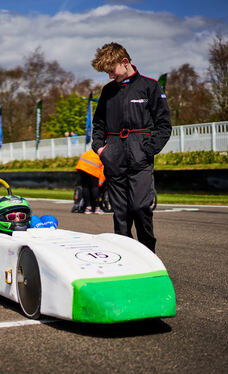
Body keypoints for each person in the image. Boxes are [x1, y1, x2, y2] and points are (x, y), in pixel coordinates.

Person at [91, 42, 171, 253]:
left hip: (140, 157)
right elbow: (98, 125)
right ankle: (125, 259)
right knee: (121, 214)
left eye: (111, 71)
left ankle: (148, 255)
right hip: (113, 158)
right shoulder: (107, 92)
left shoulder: (150, 86)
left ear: (124, 62)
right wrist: (101, 149)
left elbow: (164, 125)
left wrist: (148, 150)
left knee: (139, 207)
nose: (109, 76)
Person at [75, 149, 105, 214]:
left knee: (85, 187)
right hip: (92, 168)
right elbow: (103, 171)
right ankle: (97, 208)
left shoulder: (91, 151)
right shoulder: (104, 155)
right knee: (94, 187)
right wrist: (100, 182)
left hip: (82, 167)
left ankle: (88, 208)